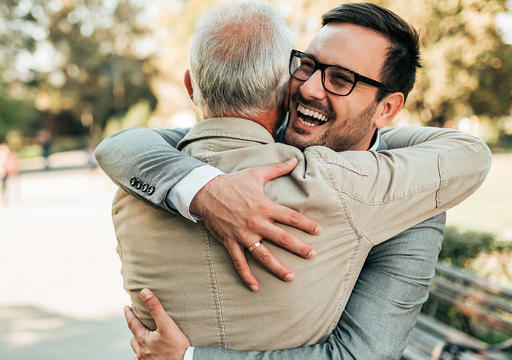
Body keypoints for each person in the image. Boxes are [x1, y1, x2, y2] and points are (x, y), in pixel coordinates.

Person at [96, 2, 491, 359]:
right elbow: (123, 145)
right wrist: (203, 190)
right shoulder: (237, 149)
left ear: (386, 107)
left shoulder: (412, 199)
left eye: (340, 79)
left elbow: (362, 354)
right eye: (307, 65)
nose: (308, 87)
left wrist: (189, 359)